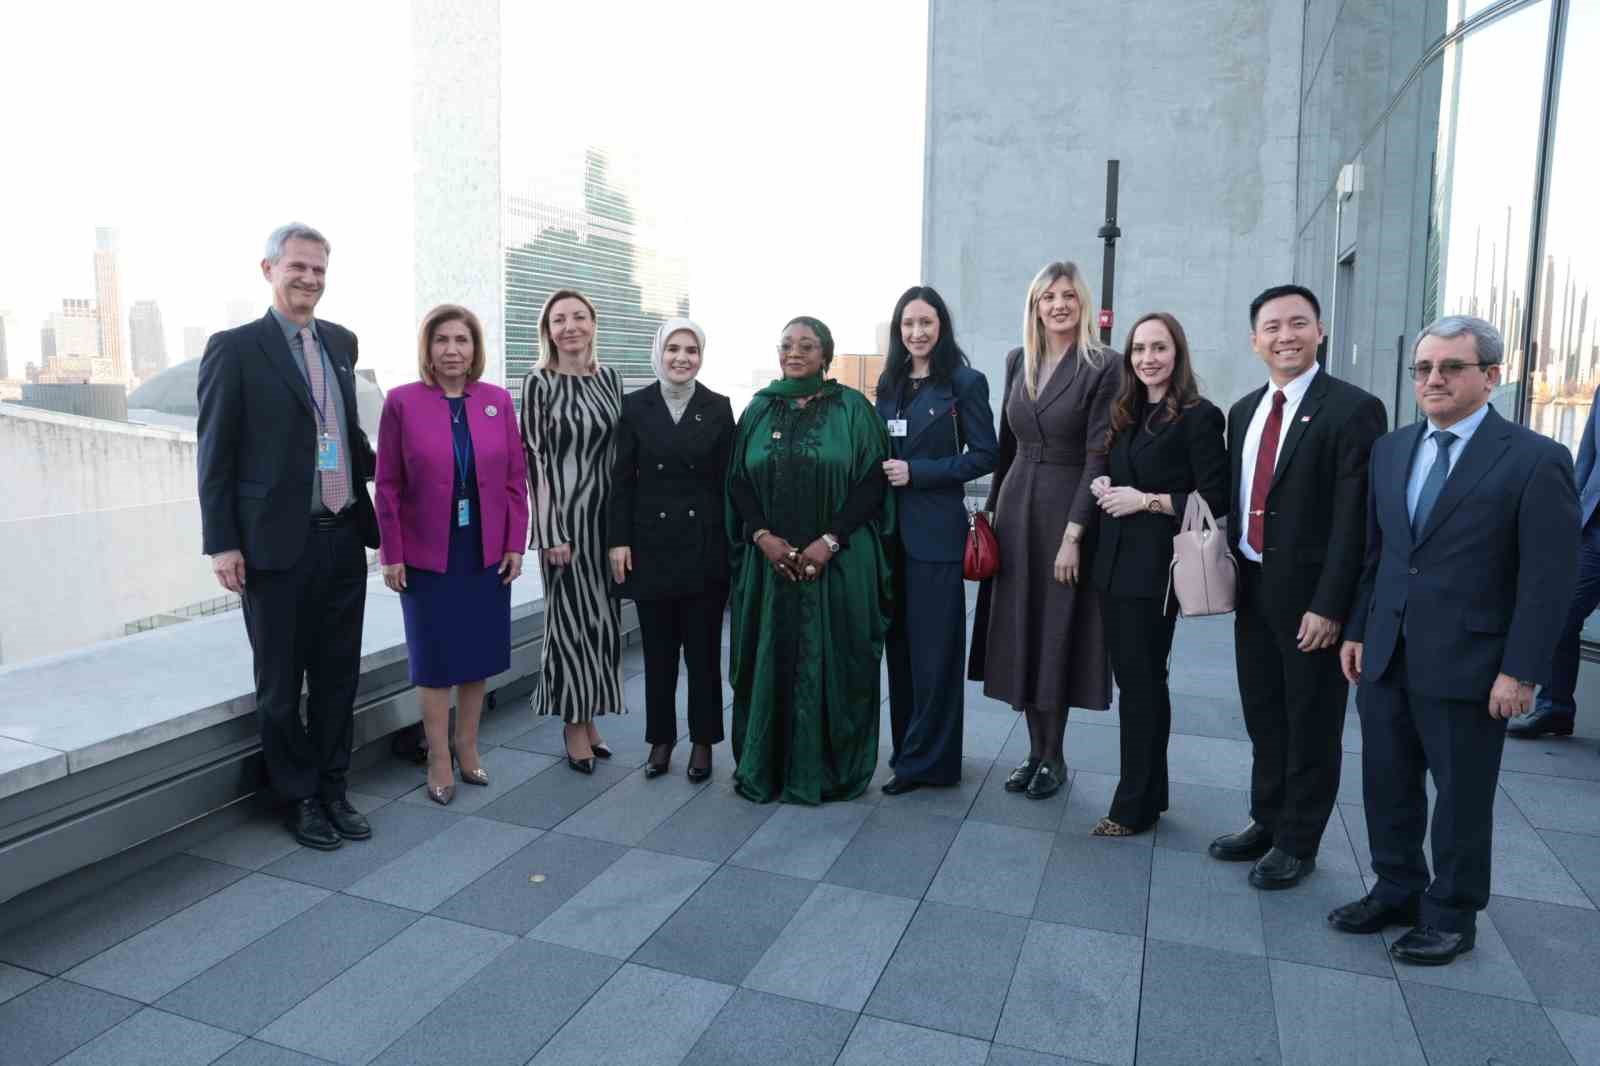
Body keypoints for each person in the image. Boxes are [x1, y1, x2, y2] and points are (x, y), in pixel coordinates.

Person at [1333, 315, 1577, 964]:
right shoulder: (1393, 449)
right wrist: (1358, 628)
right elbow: (1379, 554)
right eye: (1424, 368)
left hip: (1473, 664)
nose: (1433, 379)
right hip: (1386, 654)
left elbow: (1548, 580)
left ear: (1491, 377)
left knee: (1461, 798)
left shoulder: (1534, 459)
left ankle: (1452, 915)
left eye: (1451, 367)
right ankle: (1396, 889)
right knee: (1387, 783)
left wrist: (1522, 671)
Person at [197, 222, 380, 849]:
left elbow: (342, 431)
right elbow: (214, 454)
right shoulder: (235, 348)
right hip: (274, 545)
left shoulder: (340, 342)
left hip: (342, 535)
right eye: (297, 267)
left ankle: (334, 787)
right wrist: (223, 542)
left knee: (337, 675)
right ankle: (298, 798)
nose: (309, 279)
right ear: (268, 269)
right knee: (280, 682)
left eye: (319, 271)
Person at [1210, 284, 1386, 890]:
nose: (1286, 335)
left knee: (1311, 720)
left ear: (1319, 333)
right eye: (1272, 327)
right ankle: (1267, 819)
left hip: (1311, 600)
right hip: (1254, 587)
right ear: (1255, 340)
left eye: (1298, 324)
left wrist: (1330, 606)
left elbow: (1352, 519)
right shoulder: (1244, 410)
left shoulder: (1352, 409)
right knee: (1264, 712)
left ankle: (1299, 841)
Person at [726, 316, 894, 803]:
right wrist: (763, 538)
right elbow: (737, 480)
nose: (793, 353)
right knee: (768, 661)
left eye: (806, 345)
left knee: (838, 664)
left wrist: (829, 541)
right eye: (785, 345)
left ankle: (829, 772)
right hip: (770, 566)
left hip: (837, 566)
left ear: (825, 354)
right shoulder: (758, 409)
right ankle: (768, 769)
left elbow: (870, 483)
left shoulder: (854, 409)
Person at [969, 261, 1119, 800]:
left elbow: (1099, 455)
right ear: (1034, 305)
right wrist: (988, 513)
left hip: (1064, 509)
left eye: (1067, 295)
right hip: (1014, 511)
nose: (1057, 304)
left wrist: (1075, 533)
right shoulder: (1019, 361)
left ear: (1081, 303)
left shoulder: (1105, 365)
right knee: (1019, 633)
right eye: (1046, 296)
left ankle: (1054, 756)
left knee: (1057, 630)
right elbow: (1006, 448)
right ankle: (1033, 751)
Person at [375, 305, 527, 805]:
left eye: (462, 340)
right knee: (435, 656)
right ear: (428, 348)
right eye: (442, 340)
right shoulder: (401, 403)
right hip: (425, 551)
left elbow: (513, 482)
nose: (452, 350)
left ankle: (468, 746)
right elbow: (389, 486)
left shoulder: (497, 402)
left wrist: (513, 543)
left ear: (475, 349)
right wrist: (391, 553)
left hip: (483, 548)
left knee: (478, 651)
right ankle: (437, 754)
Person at [1088, 312, 1228, 836]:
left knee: (1142, 685)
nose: (1148, 358)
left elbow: (1217, 496)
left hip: (1156, 571)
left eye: (1159, 348)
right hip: (1114, 565)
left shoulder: (1199, 415)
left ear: (1178, 353)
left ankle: (1132, 807)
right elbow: (1119, 478)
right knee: (1142, 683)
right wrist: (1107, 488)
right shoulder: (1124, 411)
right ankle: (1152, 792)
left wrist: (1146, 500)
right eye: (1139, 348)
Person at [874, 286, 997, 795]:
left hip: (936, 536)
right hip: (888, 538)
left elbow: (985, 454)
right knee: (899, 652)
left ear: (941, 325)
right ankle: (908, 753)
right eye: (908, 324)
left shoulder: (964, 383)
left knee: (936, 654)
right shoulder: (891, 383)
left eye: (925, 322)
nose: (916, 333)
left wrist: (918, 472)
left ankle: (935, 762)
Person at [608, 318, 735, 782]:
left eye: (691, 350)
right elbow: (620, 480)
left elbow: (729, 484)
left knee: (703, 656)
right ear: (658, 353)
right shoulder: (633, 406)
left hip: (704, 548)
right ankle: (661, 740)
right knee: (658, 654)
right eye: (673, 349)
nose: (682, 358)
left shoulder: (718, 408)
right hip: (651, 546)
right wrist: (617, 539)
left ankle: (703, 743)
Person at [521, 289, 624, 773]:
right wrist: (549, 531)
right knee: (567, 625)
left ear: (592, 323)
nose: (570, 327)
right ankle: (572, 724)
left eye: (579, 316)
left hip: (607, 520)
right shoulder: (538, 382)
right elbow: (534, 460)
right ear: (548, 329)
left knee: (602, 623)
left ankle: (590, 715)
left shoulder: (610, 378)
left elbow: (621, 458)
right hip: (564, 523)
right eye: (559, 319)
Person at [1512, 379, 1600, 742]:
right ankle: (1555, 708)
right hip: (1593, 530)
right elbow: (1587, 457)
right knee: (1561, 615)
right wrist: (1571, 514)